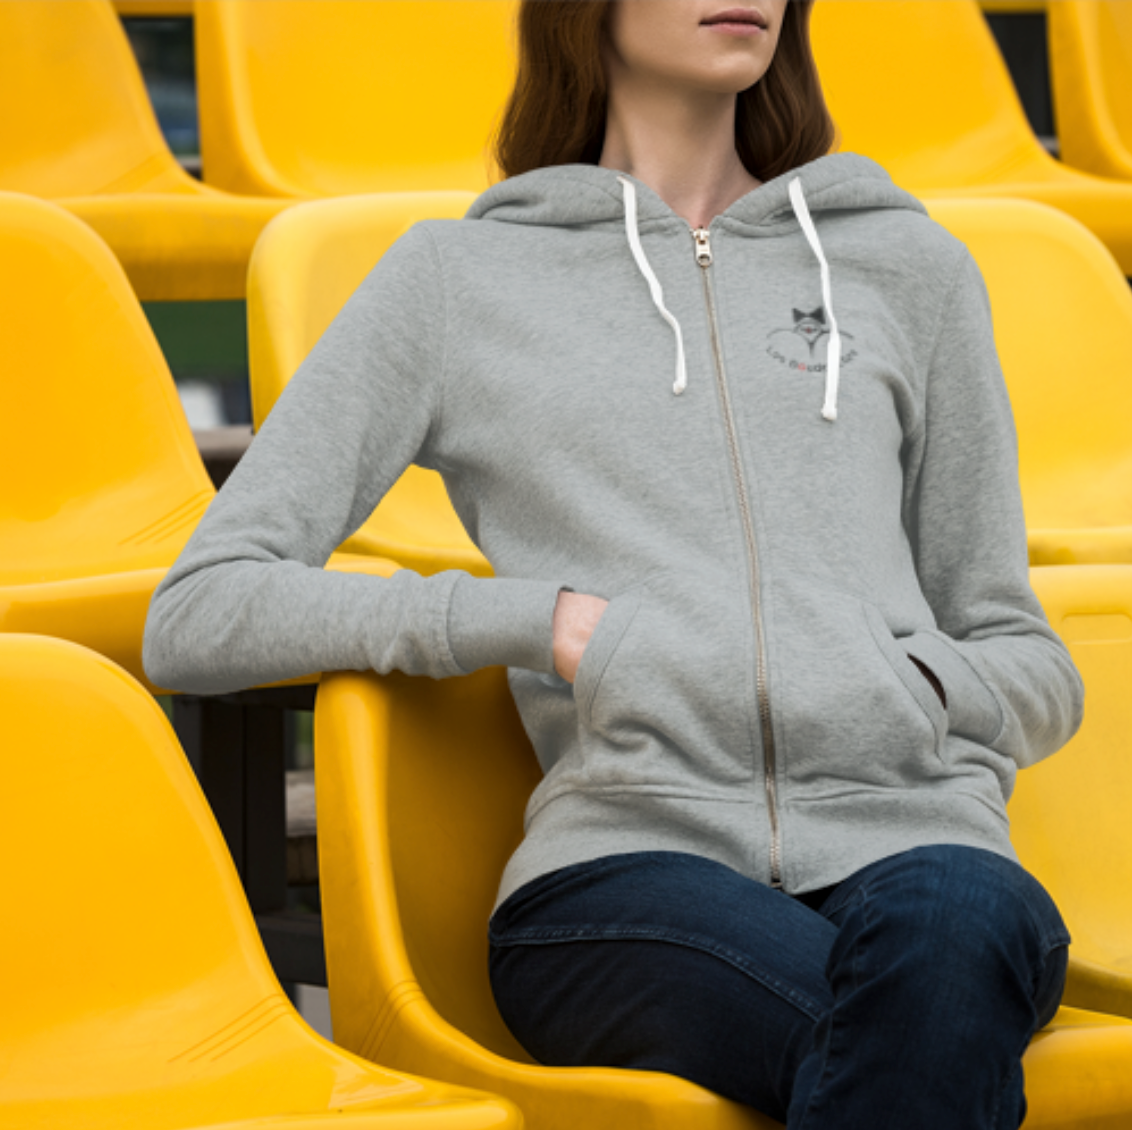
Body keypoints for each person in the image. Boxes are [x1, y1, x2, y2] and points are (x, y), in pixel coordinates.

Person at [143, 1, 1085, 1125]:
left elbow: (1023, 653)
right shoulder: (457, 279)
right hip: (624, 872)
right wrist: (543, 622)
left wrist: (916, 689)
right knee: (931, 1027)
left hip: (920, 842)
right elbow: (200, 610)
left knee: (949, 938)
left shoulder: (903, 265)